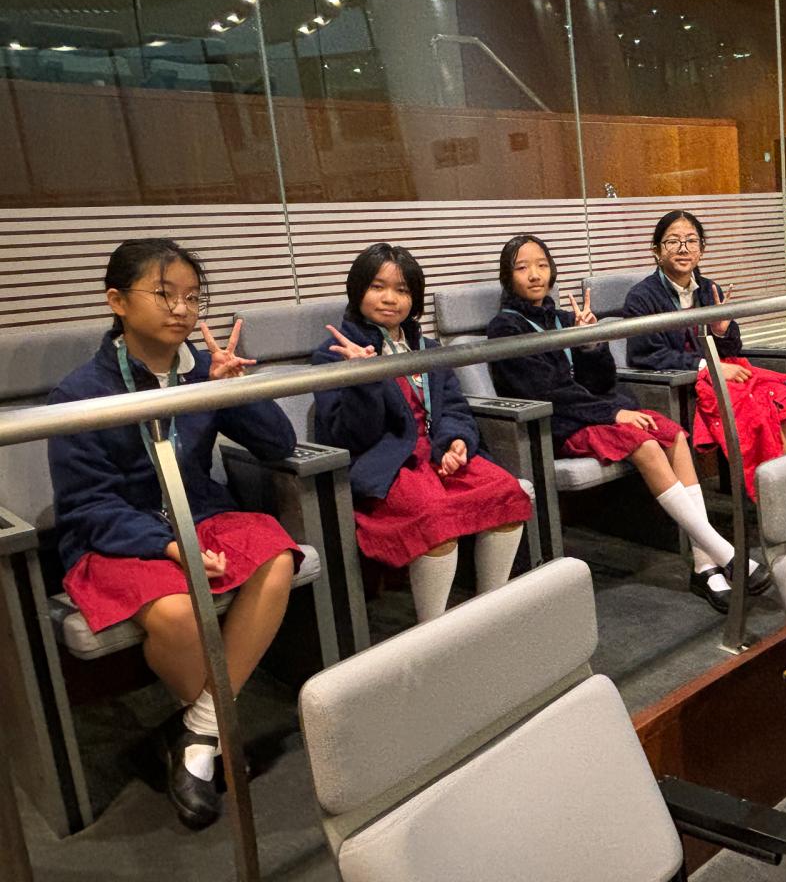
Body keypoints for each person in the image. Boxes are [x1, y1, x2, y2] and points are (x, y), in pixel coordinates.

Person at [48, 238, 300, 830]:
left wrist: (232, 389)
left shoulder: (201, 372)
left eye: (192, 297)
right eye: (164, 294)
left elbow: (279, 445)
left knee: (277, 554)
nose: (182, 309)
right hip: (120, 534)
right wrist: (167, 545)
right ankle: (213, 736)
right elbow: (87, 504)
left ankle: (196, 732)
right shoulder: (80, 393)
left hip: (199, 513)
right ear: (117, 301)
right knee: (179, 612)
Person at [485, 233, 744, 612]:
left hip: (593, 411)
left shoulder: (564, 318)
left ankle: (705, 563)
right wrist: (613, 414)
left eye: (541, 265)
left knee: (674, 435)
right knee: (646, 444)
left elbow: (601, 382)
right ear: (508, 277)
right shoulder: (505, 328)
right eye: (522, 267)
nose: (535, 274)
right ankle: (726, 553)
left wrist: (590, 344)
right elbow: (543, 391)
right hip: (557, 424)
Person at [312, 243, 530, 623]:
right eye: (378, 287)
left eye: (402, 290)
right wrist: (364, 379)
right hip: (386, 464)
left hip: (434, 454)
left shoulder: (426, 347)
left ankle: (492, 610)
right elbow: (351, 436)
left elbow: (454, 405)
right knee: (434, 517)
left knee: (504, 491)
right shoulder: (334, 354)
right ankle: (434, 627)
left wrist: (456, 441)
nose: (390, 299)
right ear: (357, 289)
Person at [623, 210, 786, 504]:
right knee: (759, 412)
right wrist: (708, 367)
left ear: (702, 249)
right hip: (686, 384)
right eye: (673, 241)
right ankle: (780, 496)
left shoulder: (710, 289)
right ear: (656, 250)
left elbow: (732, 348)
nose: (683, 249)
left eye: (691, 240)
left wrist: (722, 332)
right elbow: (645, 354)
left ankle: (782, 486)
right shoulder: (641, 297)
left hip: (724, 372)